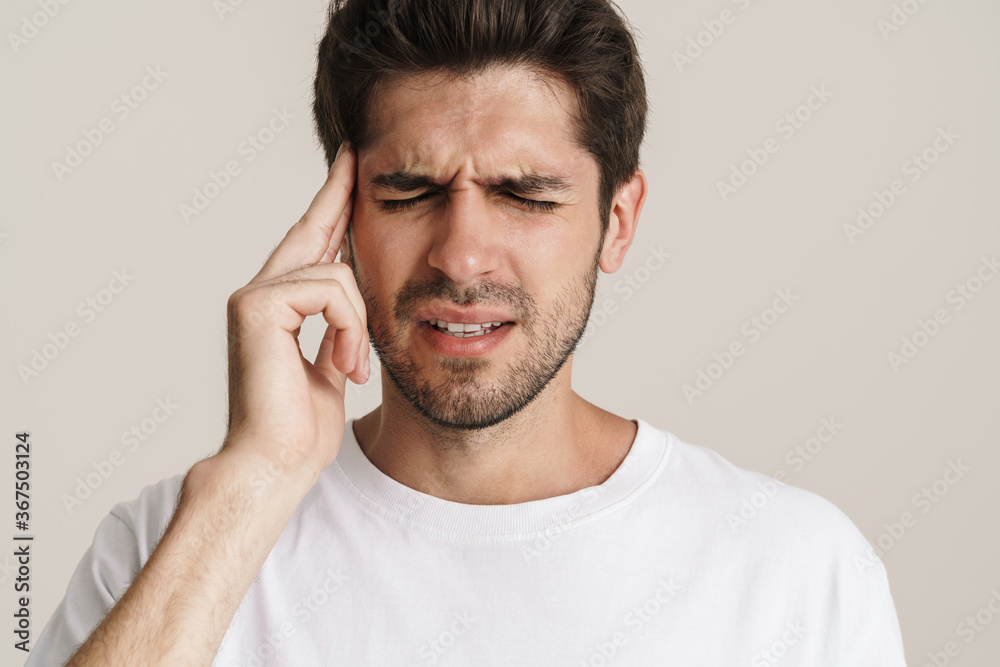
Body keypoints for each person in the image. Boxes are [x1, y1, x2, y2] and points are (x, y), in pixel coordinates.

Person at [30, 0, 908, 664]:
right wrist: (253, 483)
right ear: (337, 219)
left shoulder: (798, 573)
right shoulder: (172, 547)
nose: (461, 255)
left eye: (526, 196)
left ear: (619, 220)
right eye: (409, 193)